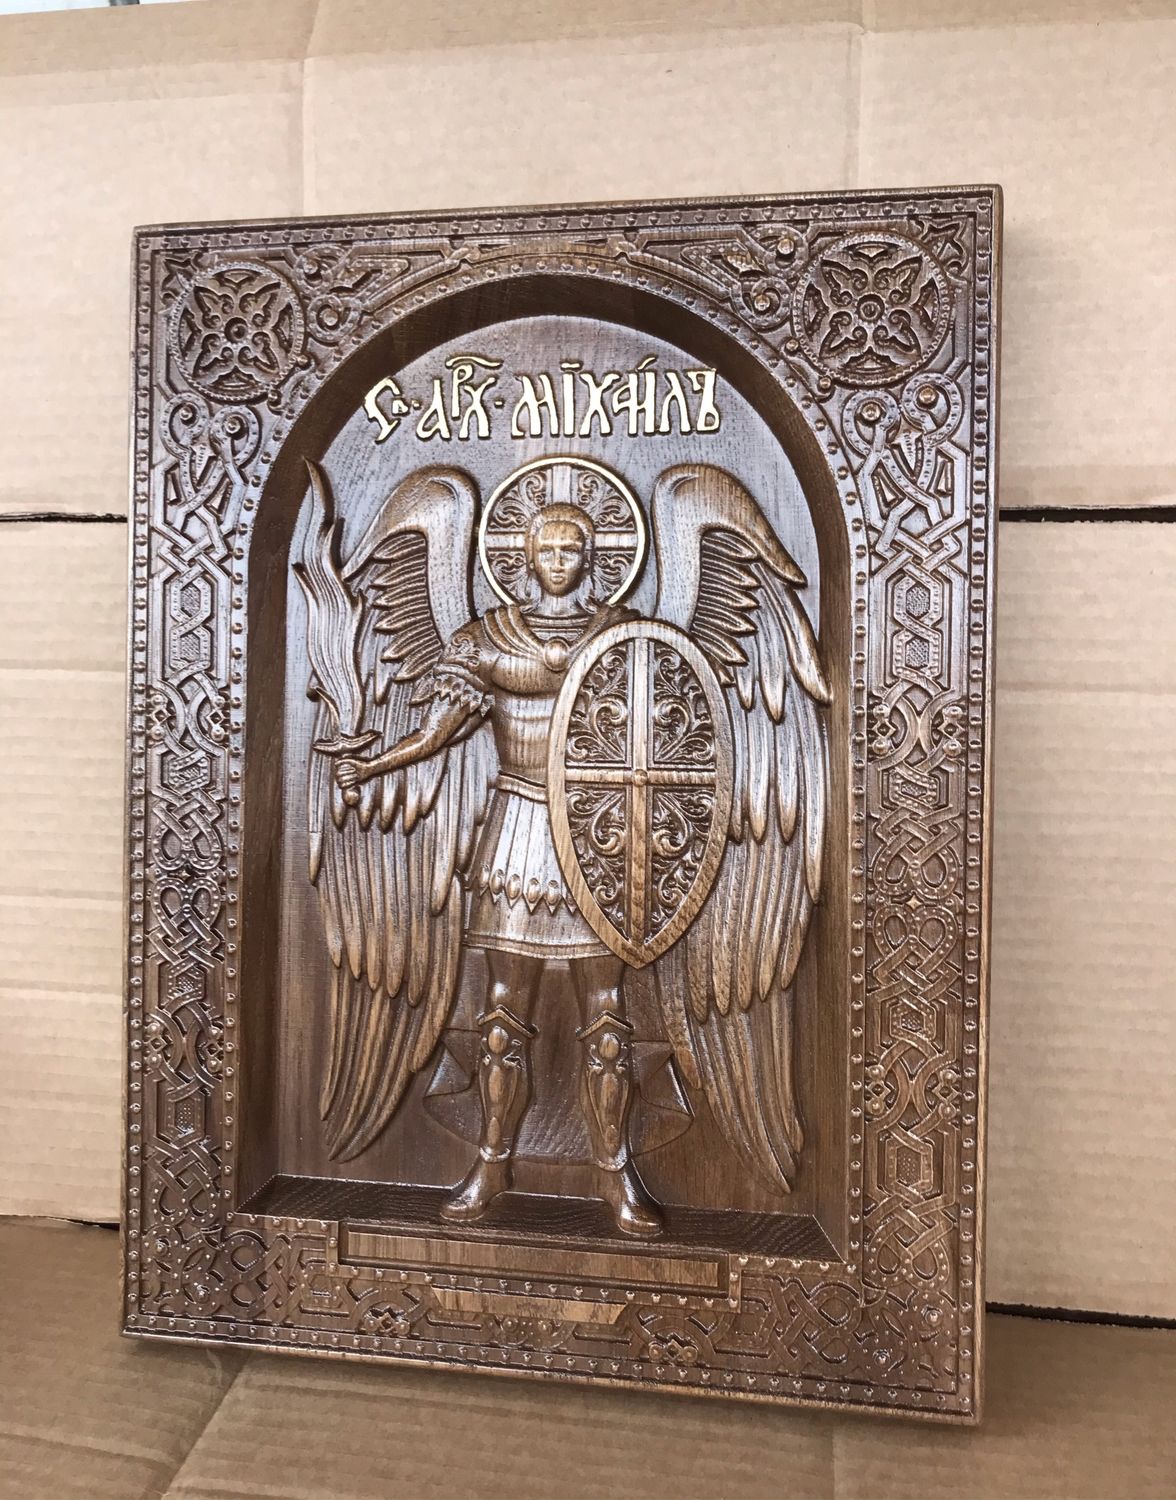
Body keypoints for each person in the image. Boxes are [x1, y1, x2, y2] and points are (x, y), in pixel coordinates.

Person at [336, 505, 663, 1238]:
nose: (559, 557)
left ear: (592, 555)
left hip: (597, 834)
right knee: (501, 1016)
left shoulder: (624, 633)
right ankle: (490, 1165)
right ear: (524, 555)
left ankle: (615, 1174)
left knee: (607, 1015)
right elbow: (436, 733)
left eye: (572, 546)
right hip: (516, 832)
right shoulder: (488, 638)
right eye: (546, 546)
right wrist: (374, 764)